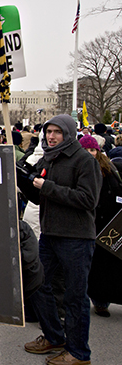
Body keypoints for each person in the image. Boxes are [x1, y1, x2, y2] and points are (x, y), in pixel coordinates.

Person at [18, 114, 101, 365]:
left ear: (68, 134)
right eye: (48, 132)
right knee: (36, 285)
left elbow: (87, 200)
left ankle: (78, 352)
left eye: (57, 132)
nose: (51, 137)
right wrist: (26, 181)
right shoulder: (48, 158)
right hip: (50, 234)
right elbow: (38, 196)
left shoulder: (85, 161)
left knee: (75, 296)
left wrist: (47, 187)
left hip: (76, 238)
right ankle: (55, 336)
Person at [79, 135, 122, 318]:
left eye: (92, 150)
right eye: (86, 150)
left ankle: (108, 298)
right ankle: (99, 301)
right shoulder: (80, 168)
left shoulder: (109, 167)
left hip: (111, 222)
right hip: (92, 223)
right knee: (96, 266)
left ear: (98, 151)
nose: (89, 153)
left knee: (112, 264)